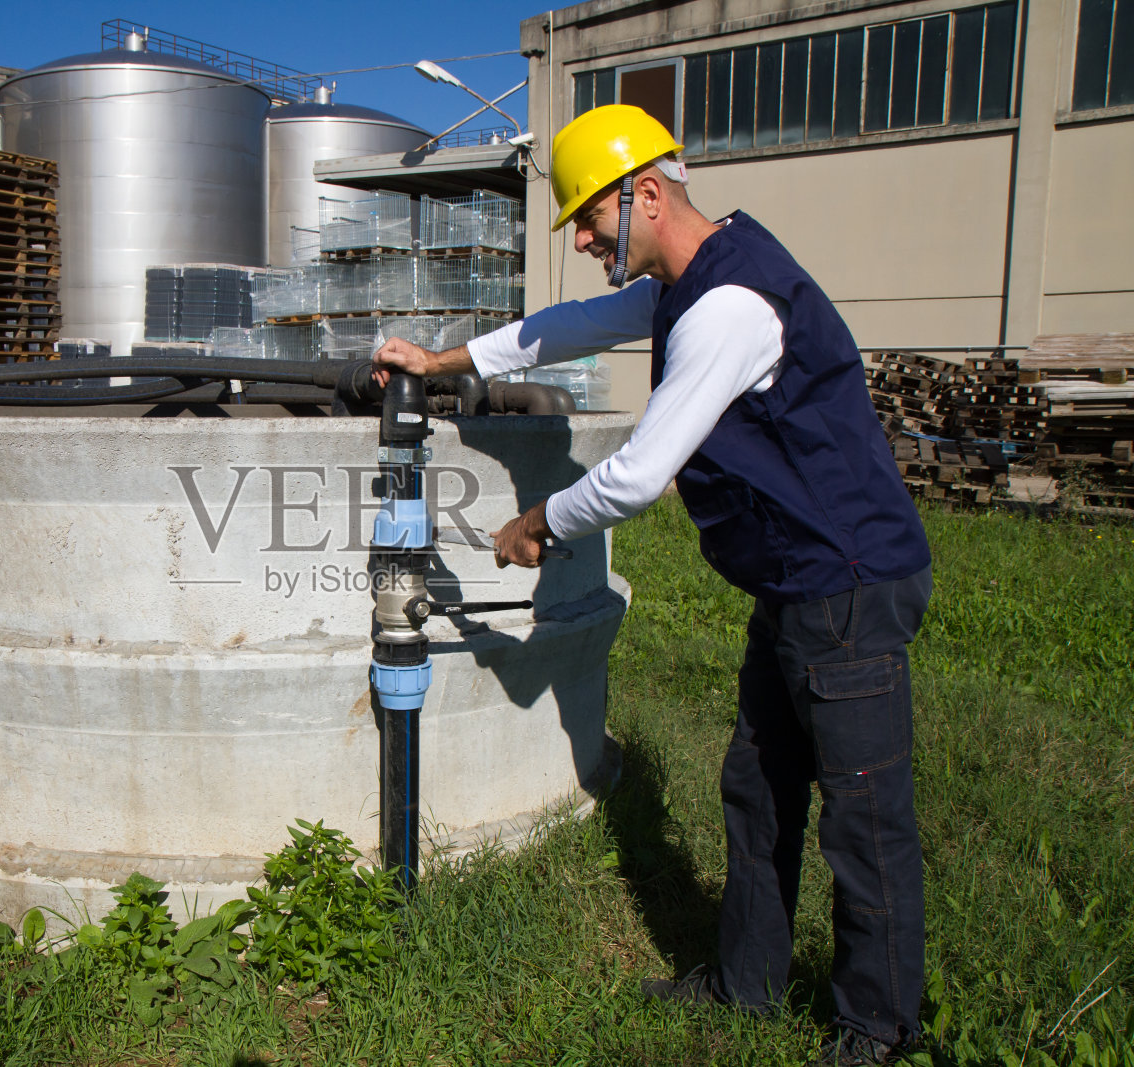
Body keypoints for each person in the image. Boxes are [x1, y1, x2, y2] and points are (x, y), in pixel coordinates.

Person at [370, 104, 933, 1067]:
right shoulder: (685, 281)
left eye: (588, 218)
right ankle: (748, 986)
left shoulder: (727, 304)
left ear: (647, 194)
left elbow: (636, 474)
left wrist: (536, 524)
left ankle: (878, 1028)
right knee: (757, 788)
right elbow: (568, 329)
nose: (583, 239)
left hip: (849, 582)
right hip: (796, 584)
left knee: (863, 813)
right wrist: (444, 360)